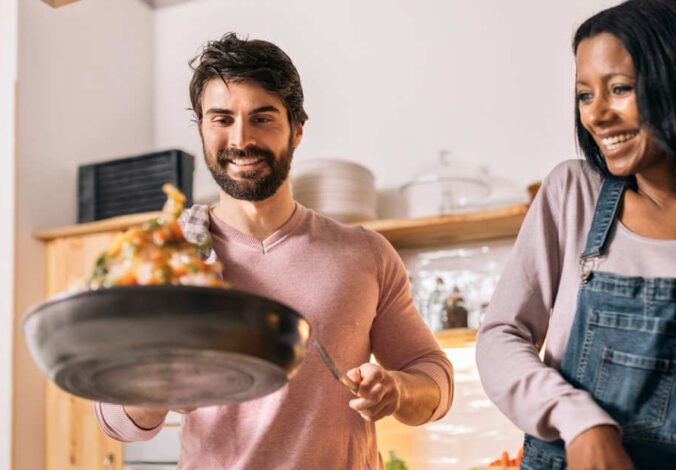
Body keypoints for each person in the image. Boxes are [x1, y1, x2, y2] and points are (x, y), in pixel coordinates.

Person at [94, 33, 454, 470]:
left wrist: (397, 389)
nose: (240, 139)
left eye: (261, 118)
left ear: (297, 129)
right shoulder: (169, 256)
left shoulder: (365, 254)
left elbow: (434, 378)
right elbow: (114, 417)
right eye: (221, 119)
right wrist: (160, 390)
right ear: (202, 128)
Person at [476, 1, 676, 469]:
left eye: (619, 89)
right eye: (584, 95)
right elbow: (501, 336)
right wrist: (580, 422)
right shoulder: (573, 194)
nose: (596, 116)